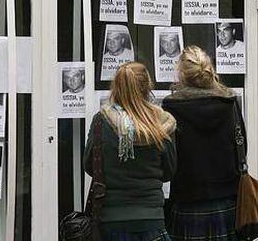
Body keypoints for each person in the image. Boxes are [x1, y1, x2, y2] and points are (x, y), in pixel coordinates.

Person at [84, 62, 176, 240]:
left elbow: (90, 166)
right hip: (152, 219)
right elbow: (169, 172)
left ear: (116, 87)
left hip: (111, 220)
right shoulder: (163, 122)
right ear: (147, 86)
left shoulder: (101, 121)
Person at [162, 46, 241, 240]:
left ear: (182, 74)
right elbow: (242, 147)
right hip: (227, 201)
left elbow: (168, 160)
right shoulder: (229, 102)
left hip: (187, 201)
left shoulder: (171, 106)